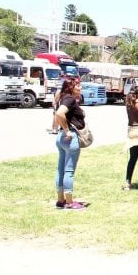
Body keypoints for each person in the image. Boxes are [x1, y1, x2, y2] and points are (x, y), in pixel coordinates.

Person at [54, 80, 87, 210]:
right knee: (69, 170)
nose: (80, 88)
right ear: (71, 88)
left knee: (60, 169)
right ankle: (69, 201)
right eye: (78, 86)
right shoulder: (69, 99)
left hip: (61, 137)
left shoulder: (63, 98)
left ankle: (60, 199)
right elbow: (59, 113)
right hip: (70, 137)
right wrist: (68, 130)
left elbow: (59, 114)